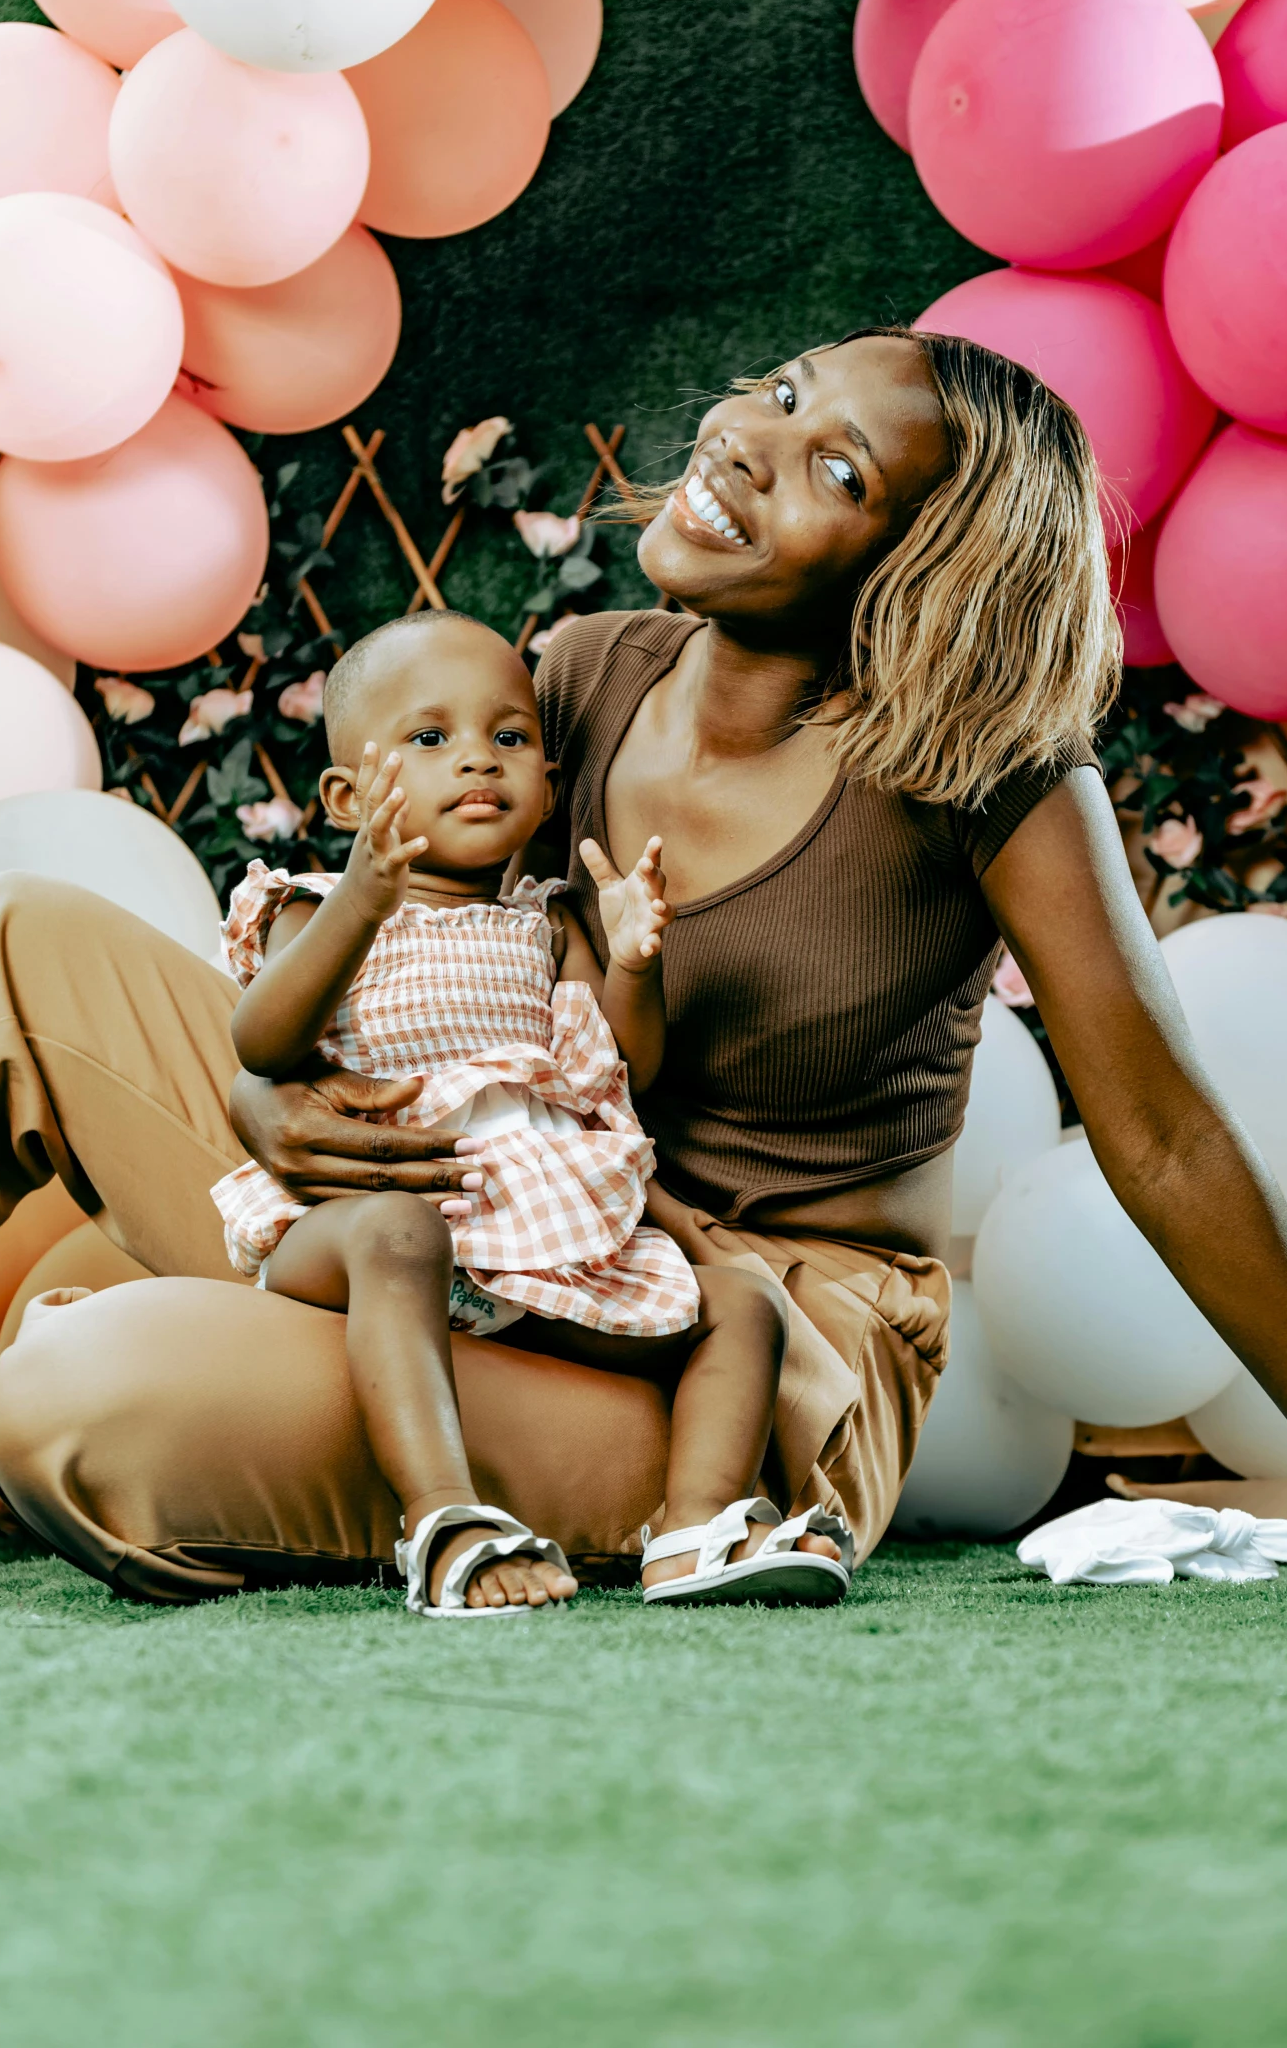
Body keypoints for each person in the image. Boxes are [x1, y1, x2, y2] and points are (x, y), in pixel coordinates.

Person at [0, 328, 1287, 1604]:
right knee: (16, 945)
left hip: (736, 1351)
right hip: (482, 1217)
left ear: (907, 577)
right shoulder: (572, 677)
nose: (747, 445)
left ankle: (179, 1371)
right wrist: (270, 1101)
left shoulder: (985, 781)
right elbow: (400, 970)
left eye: (836, 472)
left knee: (85, 1398)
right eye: (779, 396)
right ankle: (217, 1360)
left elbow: (1162, 1138)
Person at [209, 610, 849, 1615]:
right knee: (398, 1232)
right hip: (363, 1232)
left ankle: (697, 1526)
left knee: (742, 1304)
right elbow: (263, 1043)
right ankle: (443, 1515)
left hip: (532, 1237)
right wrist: (364, 900)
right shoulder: (311, 904)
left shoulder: (546, 926)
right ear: (344, 795)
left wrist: (635, 960)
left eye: (508, 738)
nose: (476, 761)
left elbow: (623, 1069)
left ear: (546, 782)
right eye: (430, 739)